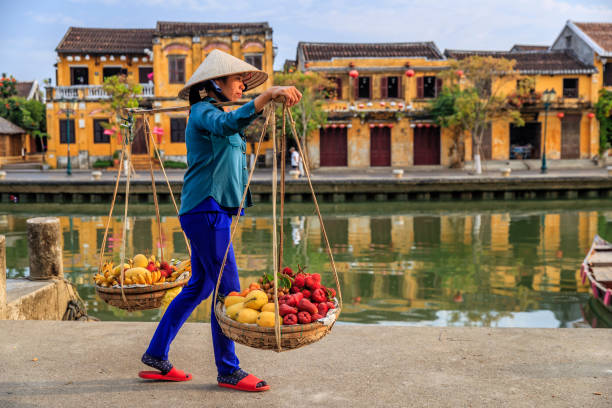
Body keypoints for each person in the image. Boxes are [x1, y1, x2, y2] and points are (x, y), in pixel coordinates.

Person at [138, 50, 301, 392]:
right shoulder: (203, 112)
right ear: (216, 82)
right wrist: (266, 95)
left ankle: (156, 355)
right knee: (228, 292)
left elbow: (233, 130)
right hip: (205, 209)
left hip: (213, 210)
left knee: (200, 285)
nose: (242, 85)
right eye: (237, 80)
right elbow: (227, 124)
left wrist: (262, 103)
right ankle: (228, 369)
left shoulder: (217, 112)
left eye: (245, 82)